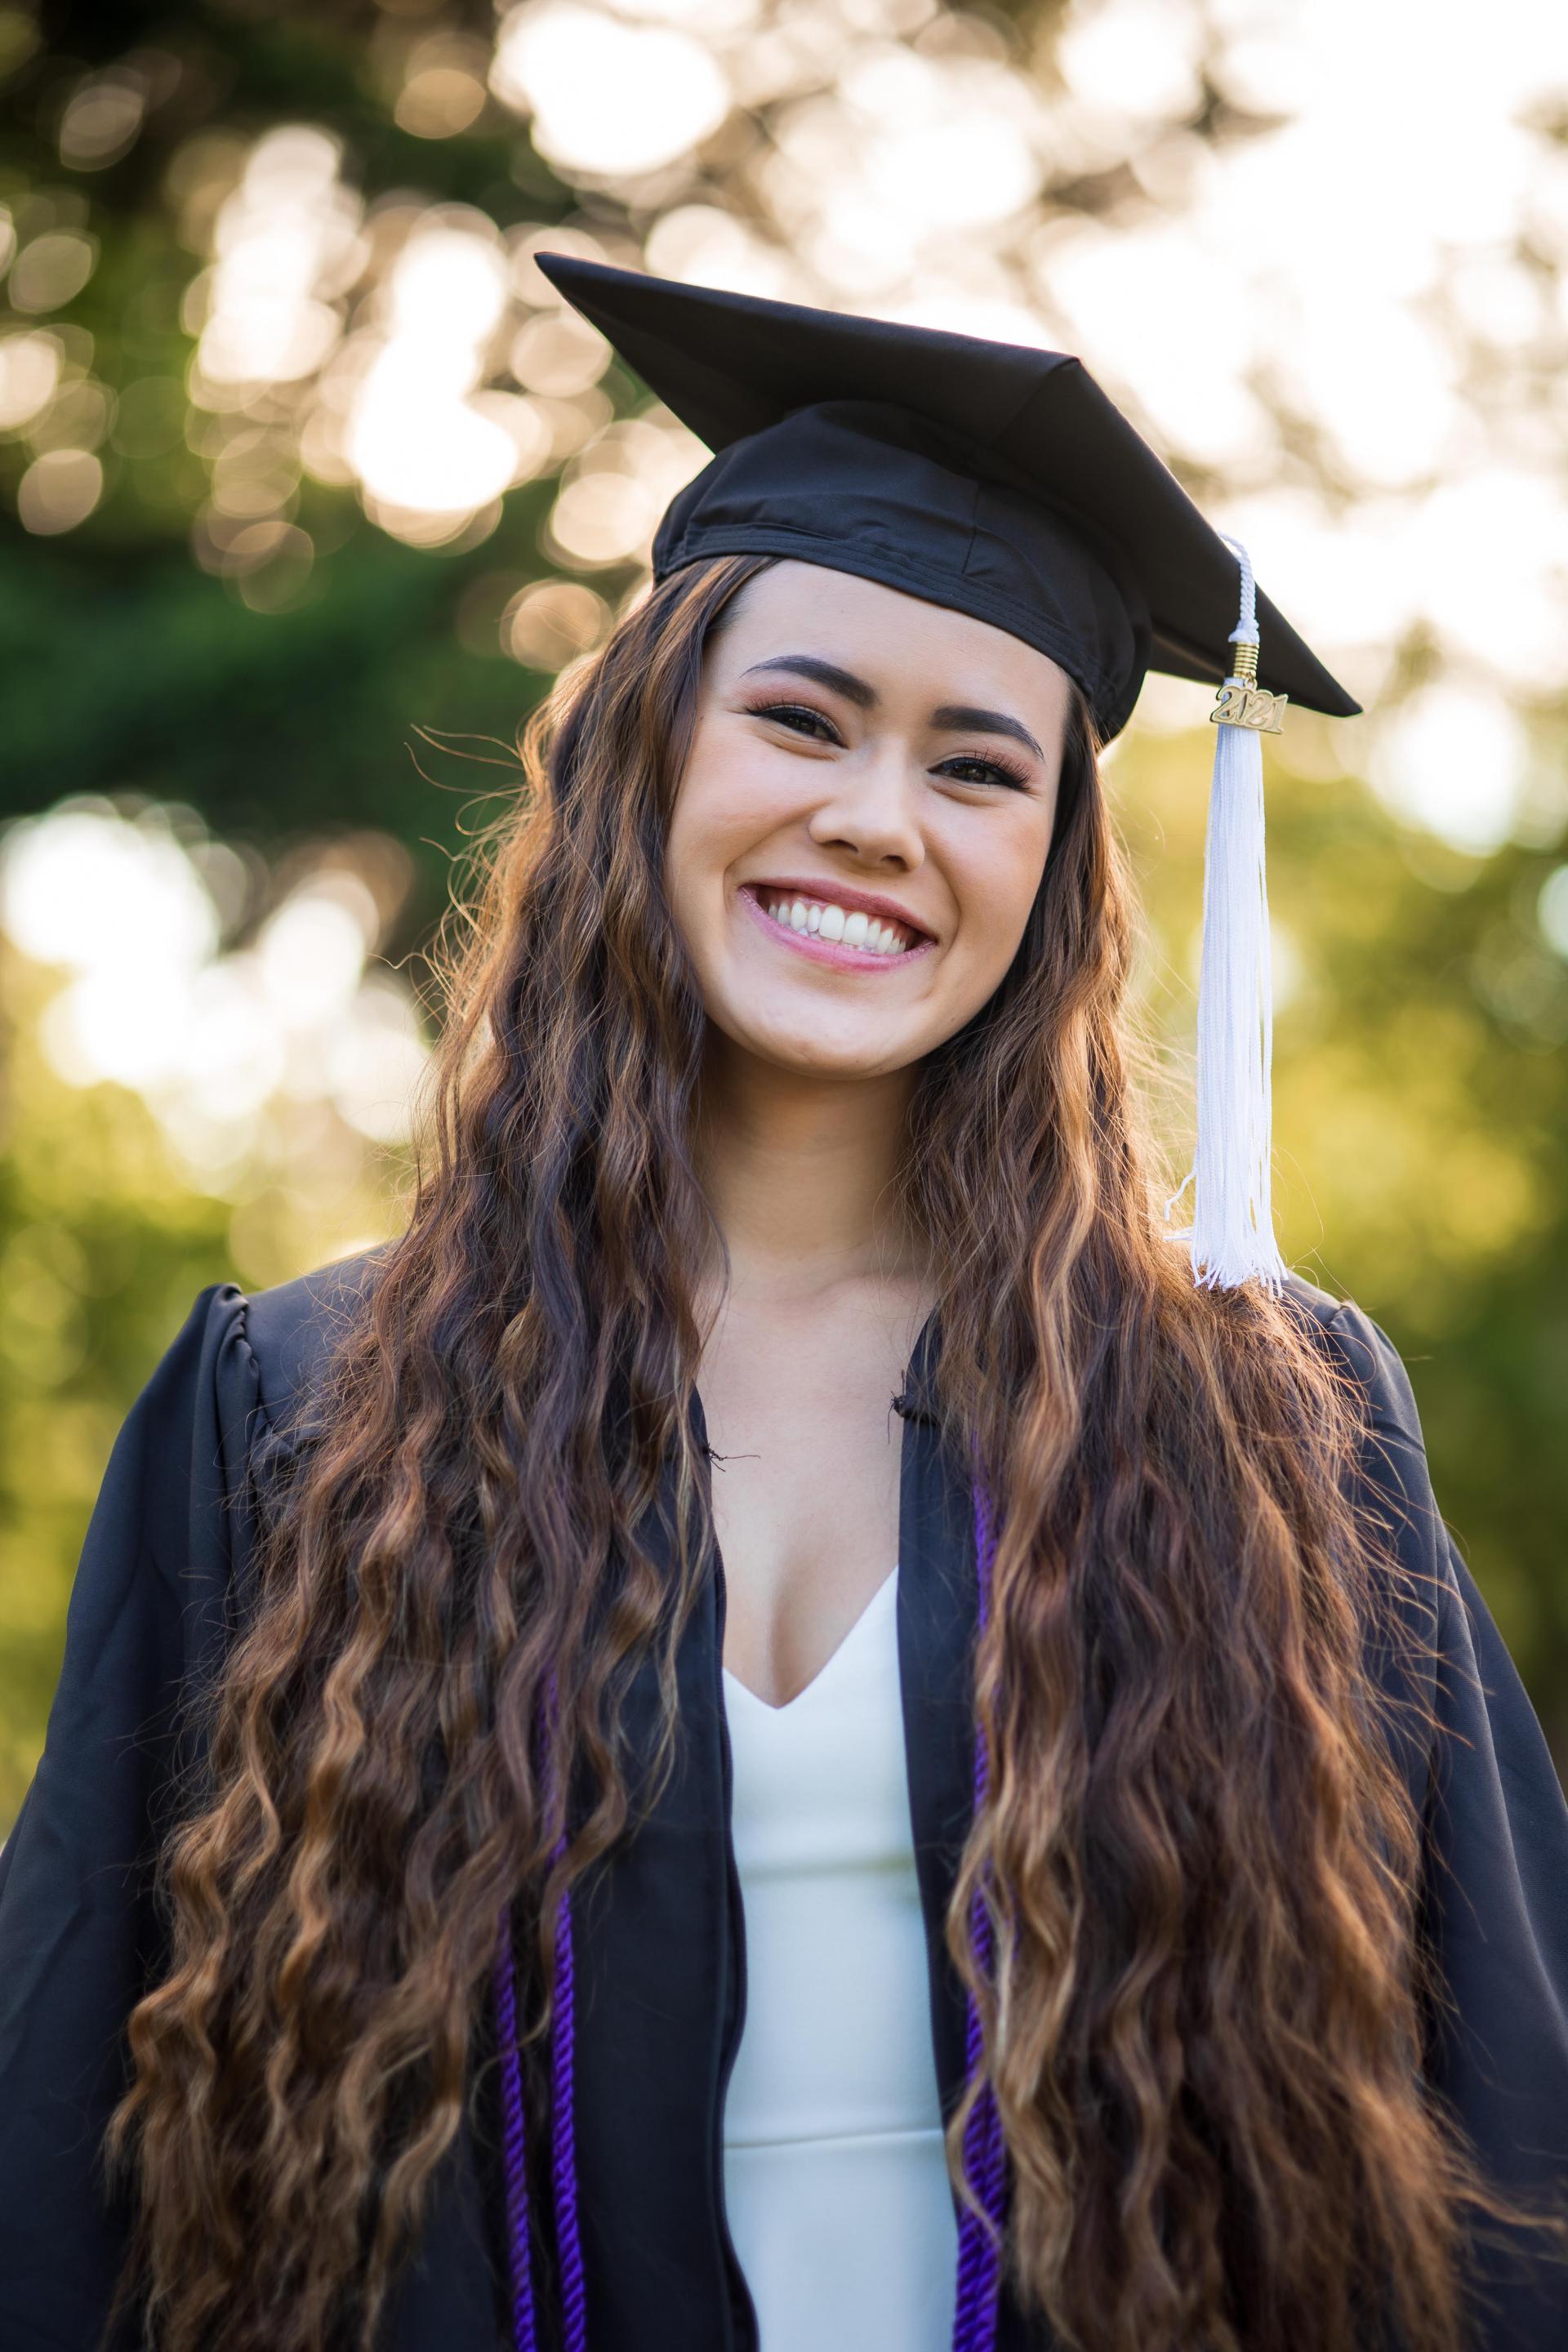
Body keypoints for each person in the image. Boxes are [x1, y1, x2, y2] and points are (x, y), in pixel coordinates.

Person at [1, 257, 1566, 2352]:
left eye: (978, 768)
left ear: (1054, 875)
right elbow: (65, 2148)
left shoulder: (1258, 1418)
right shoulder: (302, 1411)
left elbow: (1502, 2108)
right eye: (804, 718)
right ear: (651, 755)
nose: (876, 818)